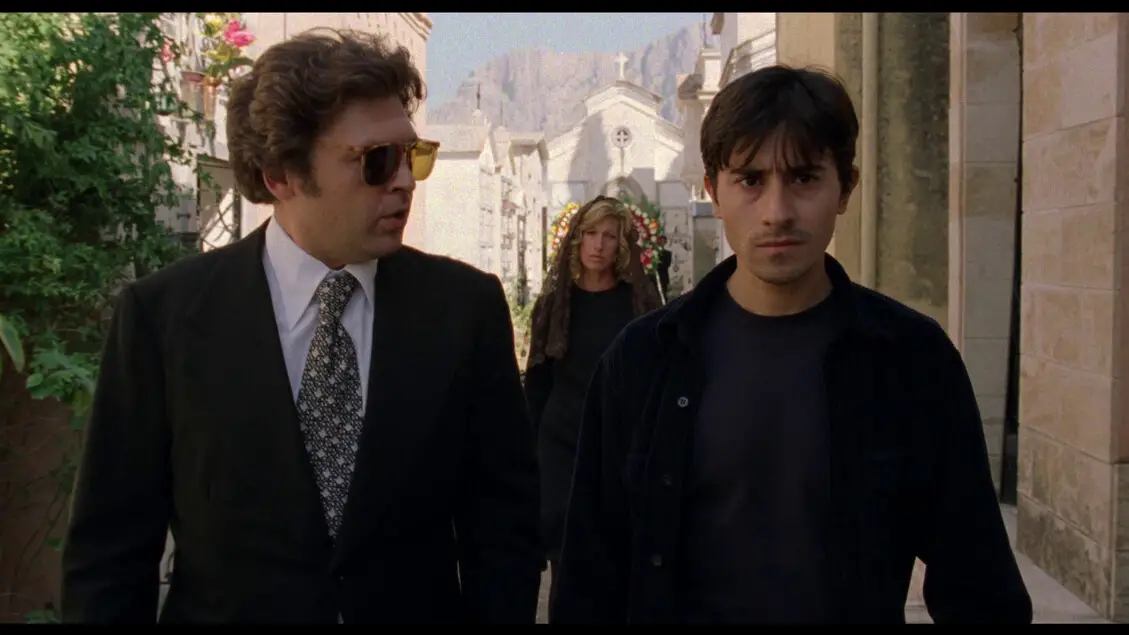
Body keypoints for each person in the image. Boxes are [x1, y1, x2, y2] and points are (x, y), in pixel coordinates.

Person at [61, 29, 542, 624]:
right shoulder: (164, 318)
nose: (404, 181)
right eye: (377, 161)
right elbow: (109, 555)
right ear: (281, 174)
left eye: (413, 155)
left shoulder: (464, 310)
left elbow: (504, 532)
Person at [550, 65, 1032, 624]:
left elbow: (979, 584)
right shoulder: (641, 361)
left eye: (803, 178)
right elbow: (589, 578)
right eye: (750, 180)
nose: (777, 212)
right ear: (713, 191)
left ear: (845, 187)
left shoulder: (911, 360)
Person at [523, 196, 662, 604]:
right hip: (561, 445)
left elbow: (656, 379)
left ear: (622, 245)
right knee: (565, 561)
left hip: (617, 444)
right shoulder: (556, 304)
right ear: (576, 240)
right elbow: (537, 383)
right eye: (590, 233)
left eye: (609, 236)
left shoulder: (637, 304)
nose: (598, 245)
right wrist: (527, 455)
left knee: (615, 560)